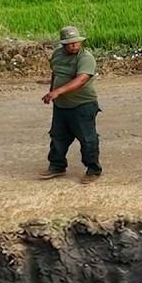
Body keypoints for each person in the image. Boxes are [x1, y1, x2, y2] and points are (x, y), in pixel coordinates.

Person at [39, 25, 102, 184]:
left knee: (87, 139)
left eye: (77, 42)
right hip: (61, 105)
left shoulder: (85, 58)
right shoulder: (57, 55)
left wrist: (58, 92)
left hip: (82, 104)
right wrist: (52, 90)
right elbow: (56, 72)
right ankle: (57, 166)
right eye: (70, 43)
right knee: (58, 136)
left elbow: (81, 80)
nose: (74, 45)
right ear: (63, 44)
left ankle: (93, 170)